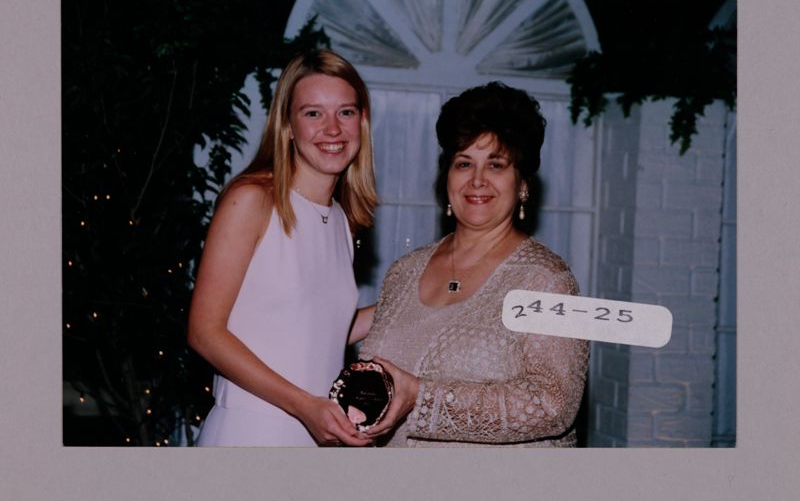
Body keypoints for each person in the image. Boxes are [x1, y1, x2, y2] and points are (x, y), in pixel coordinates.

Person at [356, 82, 589, 447]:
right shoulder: (404, 272)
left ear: (522, 183)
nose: (477, 180)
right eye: (464, 163)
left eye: (496, 164)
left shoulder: (547, 281)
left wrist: (423, 396)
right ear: (446, 176)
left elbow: (553, 403)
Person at [187, 49, 378, 447]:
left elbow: (321, 332)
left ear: (362, 122)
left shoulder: (341, 219)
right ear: (288, 125)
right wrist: (304, 405)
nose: (332, 128)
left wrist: (430, 297)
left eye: (345, 112)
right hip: (251, 432)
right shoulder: (251, 200)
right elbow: (204, 332)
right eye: (313, 114)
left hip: (314, 436)